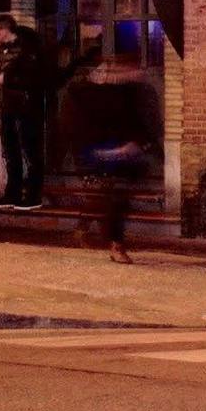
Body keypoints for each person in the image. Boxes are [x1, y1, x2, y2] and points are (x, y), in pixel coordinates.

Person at [61, 46, 160, 262]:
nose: (107, 76)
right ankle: (115, 244)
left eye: (110, 71)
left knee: (111, 197)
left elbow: (145, 123)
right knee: (109, 197)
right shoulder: (81, 93)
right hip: (95, 156)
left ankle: (91, 230)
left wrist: (135, 145)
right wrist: (102, 151)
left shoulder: (133, 92)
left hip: (122, 158)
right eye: (103, 71)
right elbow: (78, 127)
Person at [0, 14, 47, 209]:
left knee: (30, 149)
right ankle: (12, 193)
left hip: (26, 106)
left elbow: (32, 78)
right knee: (10, 150)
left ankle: (34, 195)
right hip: (5, 105)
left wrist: (5, 80)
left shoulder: (26, 50)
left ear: (5, 29)